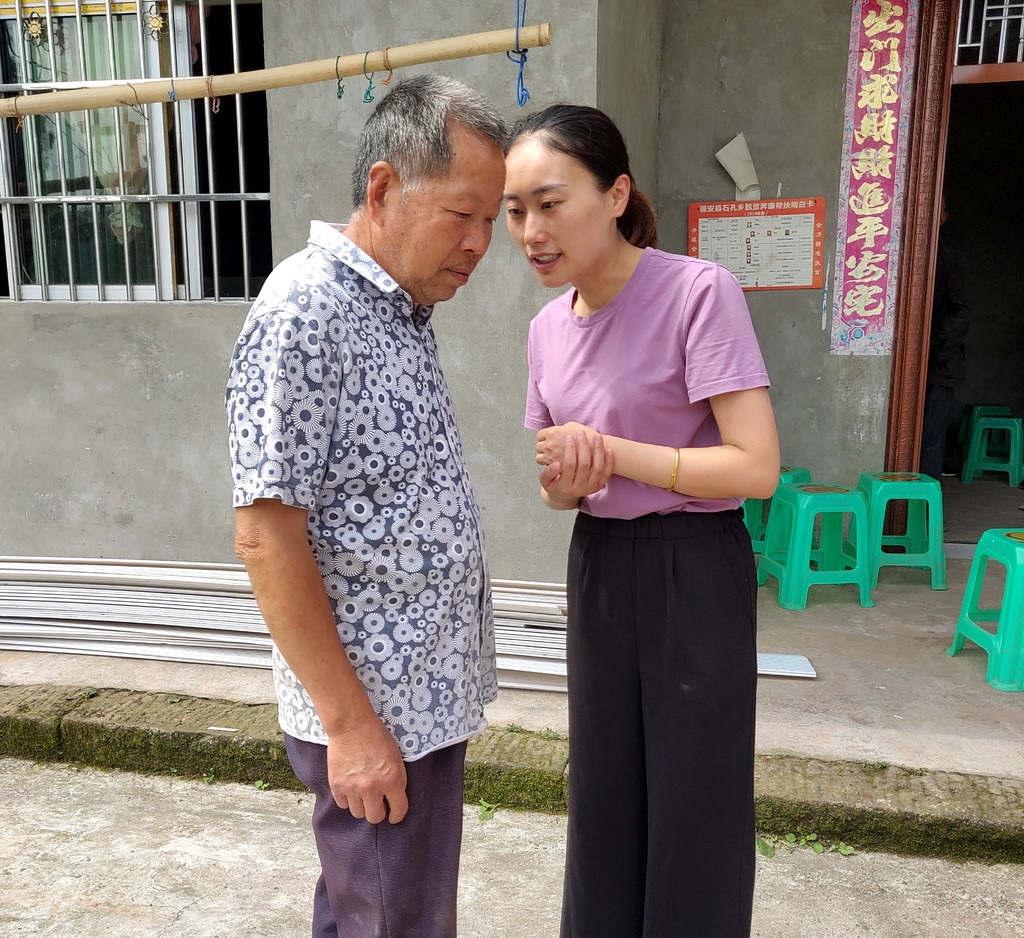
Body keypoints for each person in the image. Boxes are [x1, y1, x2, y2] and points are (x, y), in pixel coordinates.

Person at [226, 74, 507, 938]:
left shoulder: (398, 310)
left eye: (491, 222)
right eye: (464, 215)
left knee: (373, 913)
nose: (480, 244)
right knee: (395, 922)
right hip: (375, 713)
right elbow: (267, 536)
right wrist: (350, 729)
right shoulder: (307, 312)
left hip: (423, 703)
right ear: (384, 188)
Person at [503, 105, 780, 938]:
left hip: (694, 567)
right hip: (599, 565)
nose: (530, 231)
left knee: (695, 793)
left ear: (617, 193)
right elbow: (558, 487)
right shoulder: (547, 329)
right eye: (513, 211)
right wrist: (573, 481)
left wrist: (617, 455)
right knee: (603, 786)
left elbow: (756, 466)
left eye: (551, 203)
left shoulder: (698, 292)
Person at [920, 199, 970, 480]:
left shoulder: (947, 255)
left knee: (929, 442)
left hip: (941, 364)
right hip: (915, 363)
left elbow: (962, 313)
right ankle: (900, 511)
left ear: (944, 216)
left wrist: (929, 341)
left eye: (935, 209)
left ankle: (923, 517)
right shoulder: (914, 250)